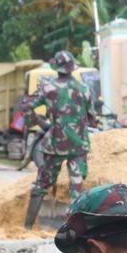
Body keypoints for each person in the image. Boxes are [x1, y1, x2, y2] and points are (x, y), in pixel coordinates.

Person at [23, 51, 99, 229]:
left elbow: (26, 107)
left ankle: (27, 226)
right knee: (77, 186)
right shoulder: (84, 89)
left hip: (55, 144)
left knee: (42, 183)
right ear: (72, 68)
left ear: (56, 68)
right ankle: (77, 228)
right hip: (78, 145)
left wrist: (38, 122)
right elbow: (92, 118)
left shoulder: (47, 88)